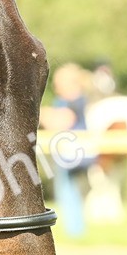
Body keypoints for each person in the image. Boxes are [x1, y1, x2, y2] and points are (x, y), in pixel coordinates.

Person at [40, 63, 94, 238]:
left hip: (73, 156)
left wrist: (42, 114)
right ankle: (75, 230)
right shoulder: (66, 101)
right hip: (66, 155)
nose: (56, 87)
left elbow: (60, 122)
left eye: (59, 83)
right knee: (69, 190)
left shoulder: (75, 101)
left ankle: (75, 231)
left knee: (69, 191)